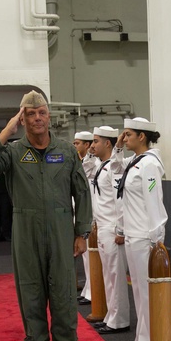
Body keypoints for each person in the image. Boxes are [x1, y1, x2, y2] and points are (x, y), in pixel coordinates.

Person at [0, 90, 92, 341]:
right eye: (29, 114)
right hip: (26, 235)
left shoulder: (66, 151)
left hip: (61, 232)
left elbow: (81, 192)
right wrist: (6, 131)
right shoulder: (12, 153)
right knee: (32, 302)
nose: (36, 118)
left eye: (41, 112)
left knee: (65, 302)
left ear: (48, 115)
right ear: (22, 119)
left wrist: (81, 232)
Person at [117, 117, 167, 341]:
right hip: (132, 236)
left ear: (142, 136)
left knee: (146, 294)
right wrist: (117, 146)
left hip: (144, 238)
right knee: (138, 292)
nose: (124, 138)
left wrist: (157, 241)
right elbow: (114, 167)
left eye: (127, 134)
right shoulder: (134, 162)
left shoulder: (149, 165)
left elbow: (154, 203)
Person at [88, 125, 130, 335]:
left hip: (112, 227)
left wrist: (120, 230)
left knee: (115, 276)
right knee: (108, 275)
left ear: (107, 143)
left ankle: (119, 320)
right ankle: (111, 316)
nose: (92, 145)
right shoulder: (101, 166)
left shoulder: (114, 168)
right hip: (102, 225)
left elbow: (119, 199)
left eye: (96, 141)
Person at [73, 131, 95, 306]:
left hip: (95, 216)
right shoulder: (78, 162)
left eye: (77, 143)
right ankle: (88, 289)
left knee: (92, 259)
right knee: (86, 258)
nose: (75, 146)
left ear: (87, 145)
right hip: (82, 215)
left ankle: (93, 292)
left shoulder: (93, 163)